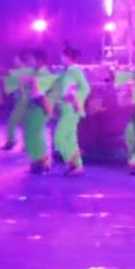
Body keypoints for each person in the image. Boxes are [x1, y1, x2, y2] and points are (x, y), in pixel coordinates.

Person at [49, 45, 91, 176]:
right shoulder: (67, 72)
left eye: (62, 56)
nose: (61, 59)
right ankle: (77, 166)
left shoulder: (75, 71)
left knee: (59, 137)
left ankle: (71, 161)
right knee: (71, 139)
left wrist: (75, 98)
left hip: (71, 109)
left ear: (68, 57)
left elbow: (86, 88)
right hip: (66, 108)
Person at [21, 49, 56, 173]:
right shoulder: (36, 73)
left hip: (40, 107)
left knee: (37, 134)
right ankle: (37, 160)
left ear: (39, 60)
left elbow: (39, 94)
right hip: (34, 107)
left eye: (31, 59)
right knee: (31, 134)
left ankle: (42, 161)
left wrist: (32, 82)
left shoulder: (44, 74)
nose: (29, 62)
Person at [1, 49, 34, 151]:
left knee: (12, 121)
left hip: (23, 100)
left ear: (21, 61)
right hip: (28, 100)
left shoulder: (21, 72)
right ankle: (27, 144)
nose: (15, 62)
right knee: (25, 123)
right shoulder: (31, 71)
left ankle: (11, 140)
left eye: (16, 60)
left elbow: (8, 79)